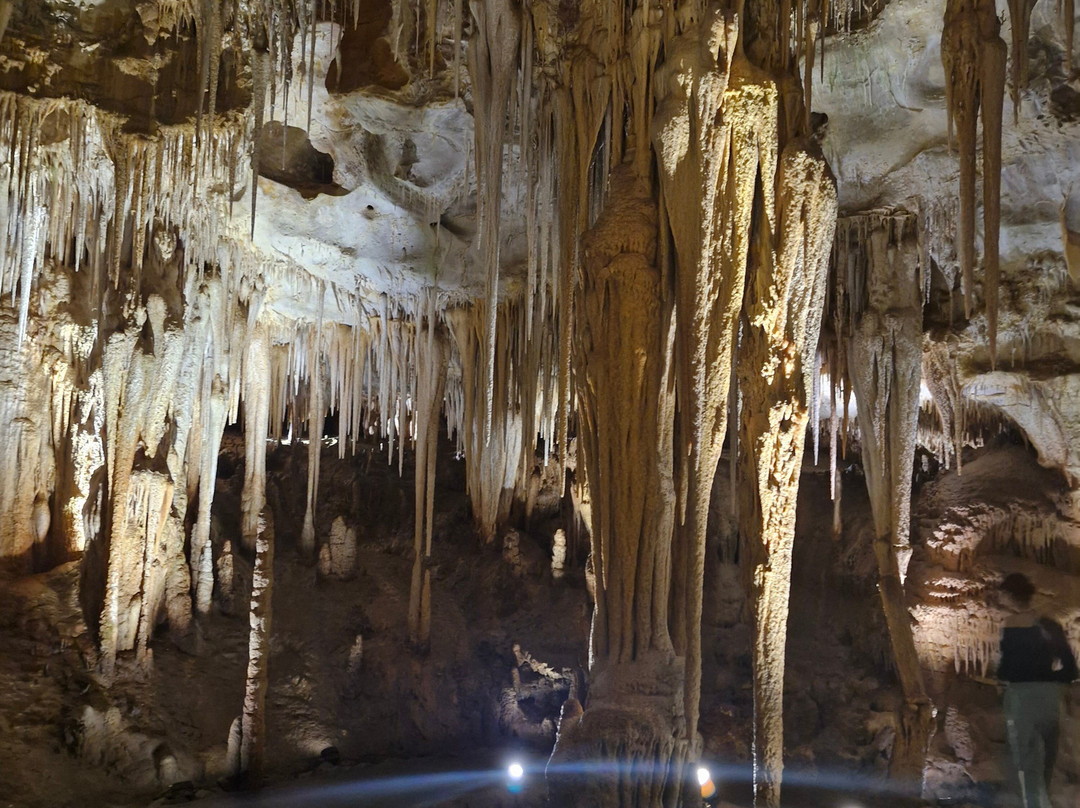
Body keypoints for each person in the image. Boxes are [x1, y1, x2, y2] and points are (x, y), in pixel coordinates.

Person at [997, 572, 1078, 808]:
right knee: (1046, 763)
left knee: (1028, 765)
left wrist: (1004, 685)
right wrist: (1052, 681)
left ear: (1010, 596)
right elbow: (1070, 667)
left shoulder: (1012, 625)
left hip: (1023, 698)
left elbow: (1006, 670)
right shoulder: (1050, 625)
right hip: (1050, 699)